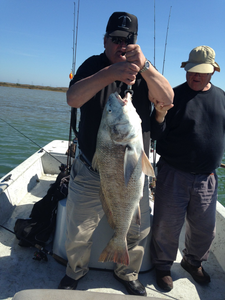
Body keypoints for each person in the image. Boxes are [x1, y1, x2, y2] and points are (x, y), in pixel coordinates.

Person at [58, 12, 174, 296]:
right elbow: (73, 98)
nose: (122, 44)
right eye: (116, 39)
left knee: (135, 228)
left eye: (128, 39)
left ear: (135, 42)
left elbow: (168, 100)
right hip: (90, 169)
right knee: (79, 229)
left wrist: (144, 65)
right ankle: (75, 270)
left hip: (134, 170)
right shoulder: (94, 65)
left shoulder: (144, 70)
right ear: (105, 40)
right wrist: (110, 73)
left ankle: (127, 271)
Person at [150, 45, 225, 292]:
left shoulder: (222, 98)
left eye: (202, 72)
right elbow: (155, 134)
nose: (196, 76)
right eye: (192, 71)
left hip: (207, 178)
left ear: (213, 71)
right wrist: (159, 116)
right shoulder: (171, 95)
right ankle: (162, 266)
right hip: (173, 173)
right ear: (186, 69)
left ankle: (193, 262)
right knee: (166, 225)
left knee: (205, 229)